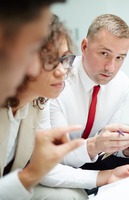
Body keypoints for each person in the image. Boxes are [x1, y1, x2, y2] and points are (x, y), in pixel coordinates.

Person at [40, 14, 129, 195]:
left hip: (91, 155)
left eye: (120, 58)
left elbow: (104, 139)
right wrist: (97, 145)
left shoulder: (121, 83)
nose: (110, 68)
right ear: (84, 47)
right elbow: (57, 157)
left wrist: (121, 148)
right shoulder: (57, 82)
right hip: (61, 159)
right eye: (104, 54)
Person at [0, 1, 85, 200]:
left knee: (76, 196)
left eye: (64, 59)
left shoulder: (37, 102)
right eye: (48, 59)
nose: (62, 71)